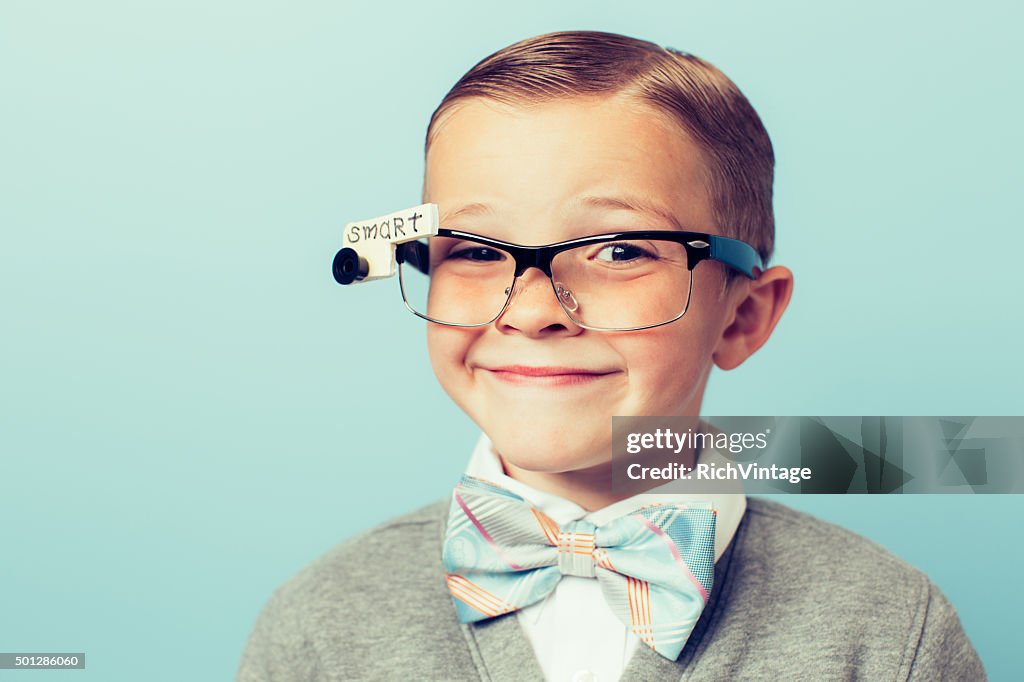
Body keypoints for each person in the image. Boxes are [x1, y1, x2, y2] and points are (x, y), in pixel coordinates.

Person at [236, 31, 985, 681]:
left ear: (743, 316)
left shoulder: (891, 632)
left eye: (620, 249)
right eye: (472, 250)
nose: (531, 310)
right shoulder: (317, 625)